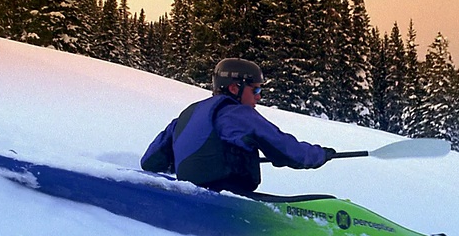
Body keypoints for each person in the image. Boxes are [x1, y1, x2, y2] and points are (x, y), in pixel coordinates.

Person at [140, 58, 335, 195]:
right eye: (256, 89)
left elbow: (150, 162)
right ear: (235, 88)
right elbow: (285, 149)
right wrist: (321, 155)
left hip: (190, 195)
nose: (259, 96)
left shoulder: (186, 115)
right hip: (226, 195)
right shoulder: (237, 114)